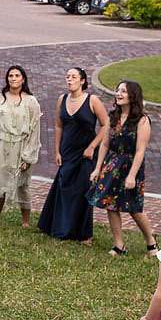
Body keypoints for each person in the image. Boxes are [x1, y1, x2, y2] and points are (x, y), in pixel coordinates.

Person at [37, 66, 108, 242]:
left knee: (82, 190)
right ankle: (58, 226)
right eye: (68, 76)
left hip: (86, 153)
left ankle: (84, 234)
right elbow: (58, 126)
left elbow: (106, 125)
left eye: (74, 77)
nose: (69, 80)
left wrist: (92, 147)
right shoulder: (62, 99)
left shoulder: (92, 100)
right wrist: (57, 150)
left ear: (82, 81)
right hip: (67, 151)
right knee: (64, 186)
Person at [86, 80, 157, 256]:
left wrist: (132, 176)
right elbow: (104, 144)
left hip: (131, 166)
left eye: (123, 91)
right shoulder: (113, 117)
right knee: (111, 204)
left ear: (133, 96)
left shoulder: (142, 120)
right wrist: (97, 168)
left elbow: (140, 151)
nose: (118, 94)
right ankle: (119, 245)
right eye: (117, 90)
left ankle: (151, 243)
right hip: (112, 164)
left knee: (134, 208)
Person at [0, 65, 41, 227]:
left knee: (22, 184)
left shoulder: (31, 101)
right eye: (11, 75)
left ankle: (25, 221)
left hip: (21, 147)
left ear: (23, 79)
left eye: (17, 75)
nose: (13, 78)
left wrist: (28, 156)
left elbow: (35, 130)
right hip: (0, 145)